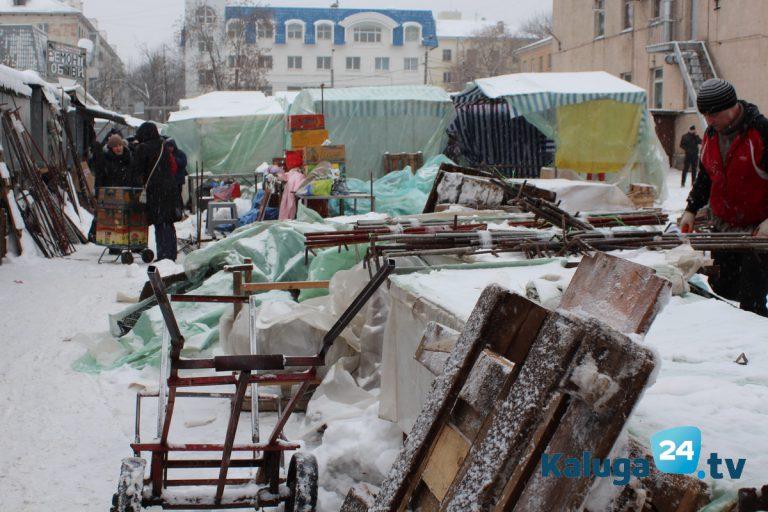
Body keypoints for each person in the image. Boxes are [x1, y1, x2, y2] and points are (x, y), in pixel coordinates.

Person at [680, 78, 768, 317]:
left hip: (756, 231)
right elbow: (706, 177)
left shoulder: (760, 132)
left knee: (752, 300)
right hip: (724, 225)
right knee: (724, 287)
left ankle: (755, 339)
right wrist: (691, 208)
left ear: (732, 107)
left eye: (714, 114)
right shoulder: (711, 135)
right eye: (705, 115)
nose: (708, 121)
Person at [132, 122, 182, 262]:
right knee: (167, 223)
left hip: (155, 191)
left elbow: (136, 171)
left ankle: (164, 256)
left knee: (160, 223)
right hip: (170, 189)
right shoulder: (163, 146)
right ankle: (170, 254)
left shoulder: (143, 148)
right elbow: (173, 167)